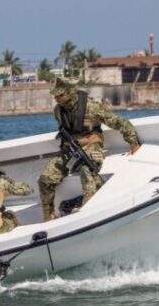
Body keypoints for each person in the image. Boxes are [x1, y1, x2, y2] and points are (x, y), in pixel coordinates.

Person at [38, 79, 141, 221]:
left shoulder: (91, 107)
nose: (56, 99)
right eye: (55, 96)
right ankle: (48, 216)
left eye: (59, 95)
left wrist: (133, 143)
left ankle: (88, 211)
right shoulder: (58, 111)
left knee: (86, 169)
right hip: (70, 149)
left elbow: (118, 122)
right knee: (44, 179)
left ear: (70, 92)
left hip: (92, 146)